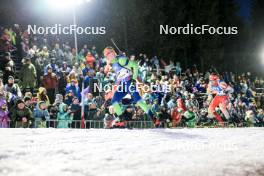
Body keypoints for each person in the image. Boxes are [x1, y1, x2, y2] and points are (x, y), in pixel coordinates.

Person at [103, 46, 160, 127]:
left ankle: (154, 118)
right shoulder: (114, 63)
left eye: (107, 55)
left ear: (112, 53)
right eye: (105, 56)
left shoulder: (121, 60)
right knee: (114, 101)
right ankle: (122, 120)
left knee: (139, 101)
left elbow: (135, 65)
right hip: (123, 84)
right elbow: (119, 77)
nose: (107, 57)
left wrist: (133, 79)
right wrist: (114, 87)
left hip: (129, 82)